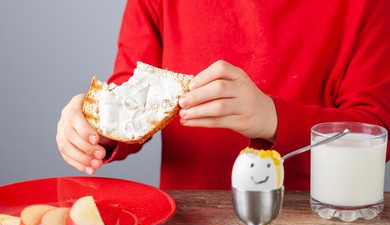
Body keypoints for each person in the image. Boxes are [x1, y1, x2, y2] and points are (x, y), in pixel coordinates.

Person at [57, 0, 390, 191]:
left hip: (313, 223)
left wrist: (272, 118)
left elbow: (378, 133)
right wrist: (95, 126)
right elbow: (131, 93)